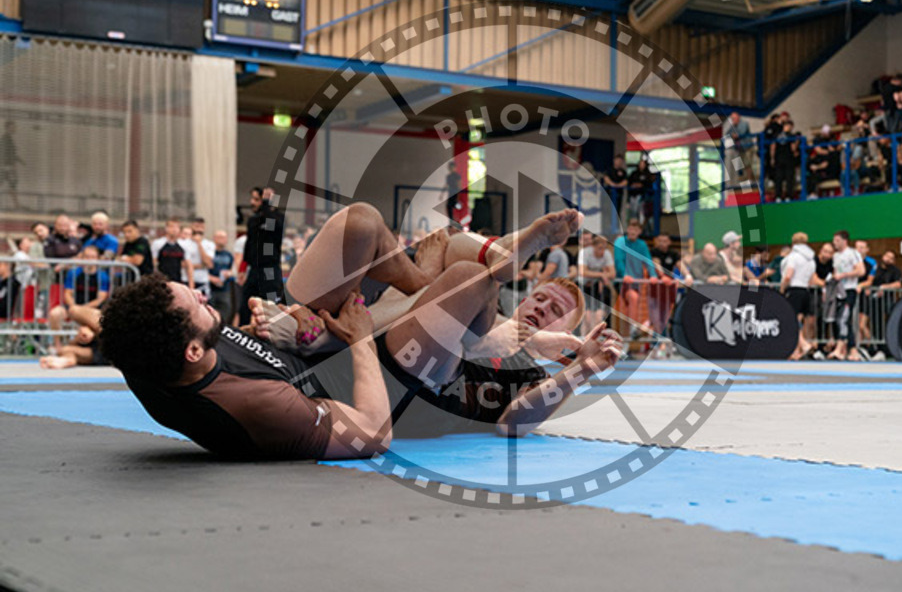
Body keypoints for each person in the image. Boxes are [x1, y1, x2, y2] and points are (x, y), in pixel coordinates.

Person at [99, 204, 622, 460]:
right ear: (192, 348)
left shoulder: (157, 352)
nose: (197, 292)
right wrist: (580, 370)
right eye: (545, 298)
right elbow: (373, 431)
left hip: (325, 346)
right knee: (465, 274)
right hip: (380, 385)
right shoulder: (262, 407)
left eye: (554, 310)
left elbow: (137, 335)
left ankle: (444, 278)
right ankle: (489, 269)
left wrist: (286, 326)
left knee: (366, 223)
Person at [239, 187, 285, 324]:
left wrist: (267, 202)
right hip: (254, 270)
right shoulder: (253, 220)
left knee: (270, 308)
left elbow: (272, 227)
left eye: (256, 199)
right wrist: (243, 268)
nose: (252, 202)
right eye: (252, 199)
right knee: (244, 308)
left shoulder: (278, 218)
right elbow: (249, 243)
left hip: (269, 271)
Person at [827, 231, 865, 362]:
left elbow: (861, 271)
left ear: (844, 241)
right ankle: (852, 350)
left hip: (849, 290)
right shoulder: (836, 256)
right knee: (842, 320)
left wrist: (844, 275)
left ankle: (839, 348)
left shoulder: (853, 253)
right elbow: (836, 272)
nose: (834, 243)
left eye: (837, 240)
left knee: (843, 319)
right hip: (839, 291)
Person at [779, 233, 816, 360]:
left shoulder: (793, 257)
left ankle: (804, 344)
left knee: (792, 321)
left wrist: (782, 288)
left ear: (793, 243)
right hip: (805, 290)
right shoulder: (811, 259)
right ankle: (795, 351)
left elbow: (788, 275)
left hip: (794, 290)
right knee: (797, 321)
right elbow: (812, 280)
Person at [40, 305, 104, 370]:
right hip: (102, 351)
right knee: (65, 350)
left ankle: (66, 359)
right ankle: (67, 359)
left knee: (74, 311)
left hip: (106, 343)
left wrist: (89, 330)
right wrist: (83, 334)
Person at [613, 219, 653, 326]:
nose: (632, 232)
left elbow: (648, 261)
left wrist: (653, 275)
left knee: (632, 305)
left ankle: (631, 329)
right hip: (622, 281)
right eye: (630, 229)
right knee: (633, 298)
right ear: (627, 229)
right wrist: (624, 274)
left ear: (640, 231)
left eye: (635, 229)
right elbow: (619, 260)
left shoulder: (642, 244)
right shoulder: (620, 241)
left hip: (636, 282)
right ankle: (633, 328)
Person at [579, 235, 616, 335]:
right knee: (587, 317)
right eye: (600, 248)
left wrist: (598, 276)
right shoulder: (585, 253)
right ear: (593, 246)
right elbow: (582, 272)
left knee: (598, 317)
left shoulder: (607, 254)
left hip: (597, 288)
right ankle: (584, 341)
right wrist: (601, 274)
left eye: (604, 248)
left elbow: (612, 273)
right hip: (584, 286)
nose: (602, 251)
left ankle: (594, 341)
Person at [151, 219, 194, 289]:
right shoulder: (158, 243)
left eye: (177, 227)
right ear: (166, 228)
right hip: (162, 281)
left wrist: (191, 285)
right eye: (171, 227)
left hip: (178, 281)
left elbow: (189, 266)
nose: (174, 229)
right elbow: (154, 263)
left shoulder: (184, 245)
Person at [854, 240, 878, 360]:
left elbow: (869, 281)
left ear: (867, 249)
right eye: (857, 247)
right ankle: (860, 348)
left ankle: (872, 347)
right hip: (853, 295)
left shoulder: (871, 262)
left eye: (862, 248)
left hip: (864, 296)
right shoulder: (852, 261)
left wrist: (861, 286)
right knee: (856, 325)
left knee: (862, 325)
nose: (859, 250)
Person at [209, 230, 235, 326]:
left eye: (224, 237)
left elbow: (233, 270)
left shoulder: (228, 255)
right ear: (214, 239)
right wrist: (211, 278)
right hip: (210, 289)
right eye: (219, 237)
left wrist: (229, 273)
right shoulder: (209, 253)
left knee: (224, 315)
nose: (222, 240)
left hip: (224, 290)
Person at [185, 218, 216, 296]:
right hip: (185, 280)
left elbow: (208, 263)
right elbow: (182, 263)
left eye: (201, 227)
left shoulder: (209, 244)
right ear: (191, 226)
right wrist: (201, 266)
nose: (199, 229)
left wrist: (199, 244)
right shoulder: (183, 243)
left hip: (202, 281)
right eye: (196, 226)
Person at [771, 121, 799, 202]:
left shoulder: (777, 135)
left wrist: (772, 158)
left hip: (779, 159)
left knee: (779, 178)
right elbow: (793, 148)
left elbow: (772, 147)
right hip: (788, 159)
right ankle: (788, 196)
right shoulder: (791, 136)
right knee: (788, 178)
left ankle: (778, 196)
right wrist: (796, 143)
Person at [0, 120, 24, 209]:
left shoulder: (7, 139)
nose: (15, 129)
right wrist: (12, 164)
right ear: (8, 127)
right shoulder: (5, 139)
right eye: (13, 127)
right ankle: (16, 205)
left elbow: (11, 154)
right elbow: (7, 154)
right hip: (7, 167)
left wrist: (19, 160)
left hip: (6, 167)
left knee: (12, 185)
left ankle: (16, 205)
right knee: (12, 184)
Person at [602, 155, 628, 228]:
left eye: (620, 161)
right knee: (608, 211)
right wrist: (612, 185)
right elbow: (606, 178)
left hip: (619, 195)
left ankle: (616, 228)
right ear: (614, 160)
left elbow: (625, 181)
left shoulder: (623, 172)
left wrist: (618, 185)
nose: (619, 162)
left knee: (617, 211)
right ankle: (607, 228)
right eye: (617, 160)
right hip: (609, 194)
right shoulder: (609, 170)